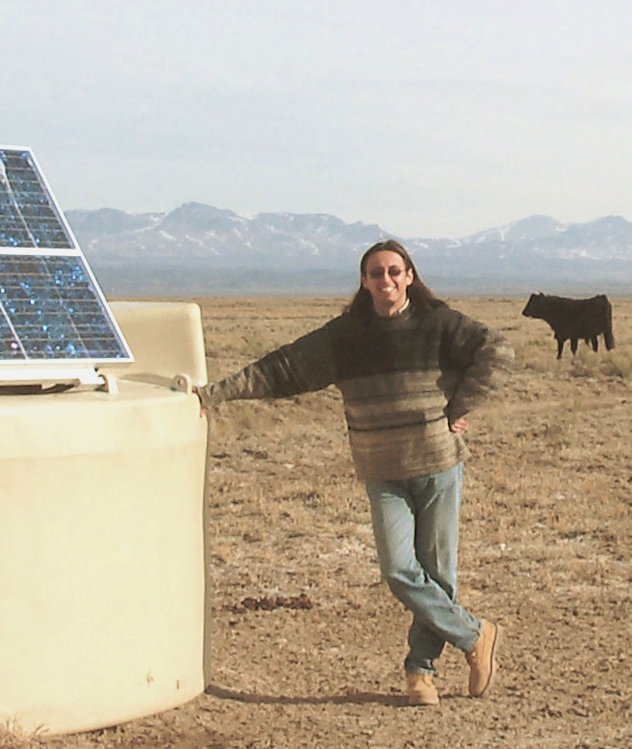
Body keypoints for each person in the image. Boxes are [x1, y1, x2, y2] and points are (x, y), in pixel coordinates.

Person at [195, 239, 513, 706]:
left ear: (409, 276)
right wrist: (212, 395)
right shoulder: (345, 337)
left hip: (439, 464)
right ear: (363, 282)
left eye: (393, 272)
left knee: (438, 573)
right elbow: (279, 369)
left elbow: (497, 350)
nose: (384, 281)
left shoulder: (439, 324)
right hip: (382, 470)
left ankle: (419, 674)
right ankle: (475, 635)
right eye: (374, 274)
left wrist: (461, 404)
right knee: (399, 570)